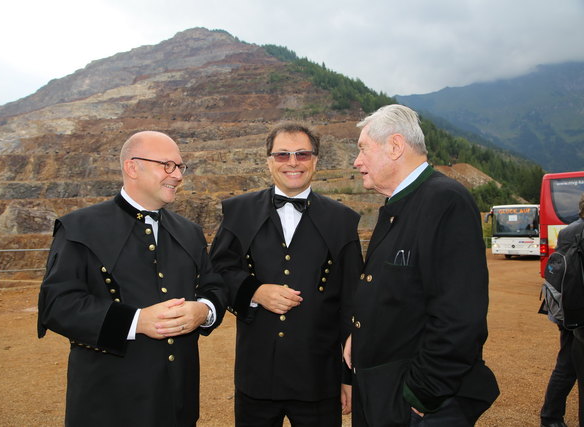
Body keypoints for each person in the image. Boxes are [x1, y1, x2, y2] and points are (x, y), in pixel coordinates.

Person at [37, 131, 226, 426]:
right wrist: (136, 321)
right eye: (167, 165)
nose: (177, 175)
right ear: (132, 167)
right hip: (108, 405)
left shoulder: (190, 232)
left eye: (179, 167)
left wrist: (203, 310)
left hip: (177, 403)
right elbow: (57, 304)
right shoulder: (79, 227)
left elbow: (214, 286)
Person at [343, 104, 499, 426]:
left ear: (395, 146)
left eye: (362, 150)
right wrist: (361, 335)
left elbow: (459, 316)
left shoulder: (445, 201)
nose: (357, 162)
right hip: (382, 387)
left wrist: (423, 394)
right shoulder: (402, 202)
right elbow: (397, 293)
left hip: (414, 401)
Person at [210, 122, 363, 426]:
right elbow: (216, 270)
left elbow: (352, 302)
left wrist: (347, 377)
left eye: (302, 154)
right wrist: (254, 291)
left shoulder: (343, 220)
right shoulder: (238, 211)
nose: (293, 162)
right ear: (268, 160)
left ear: (315, 160)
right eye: (282, 155)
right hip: (256, 379)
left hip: (319, 380)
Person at [540, 193, 584, 427]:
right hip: (578, 313)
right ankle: (550, 417)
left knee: (566, 366)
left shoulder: (569, 231)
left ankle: (551, 417)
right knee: (568, 367)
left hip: (567, 308)